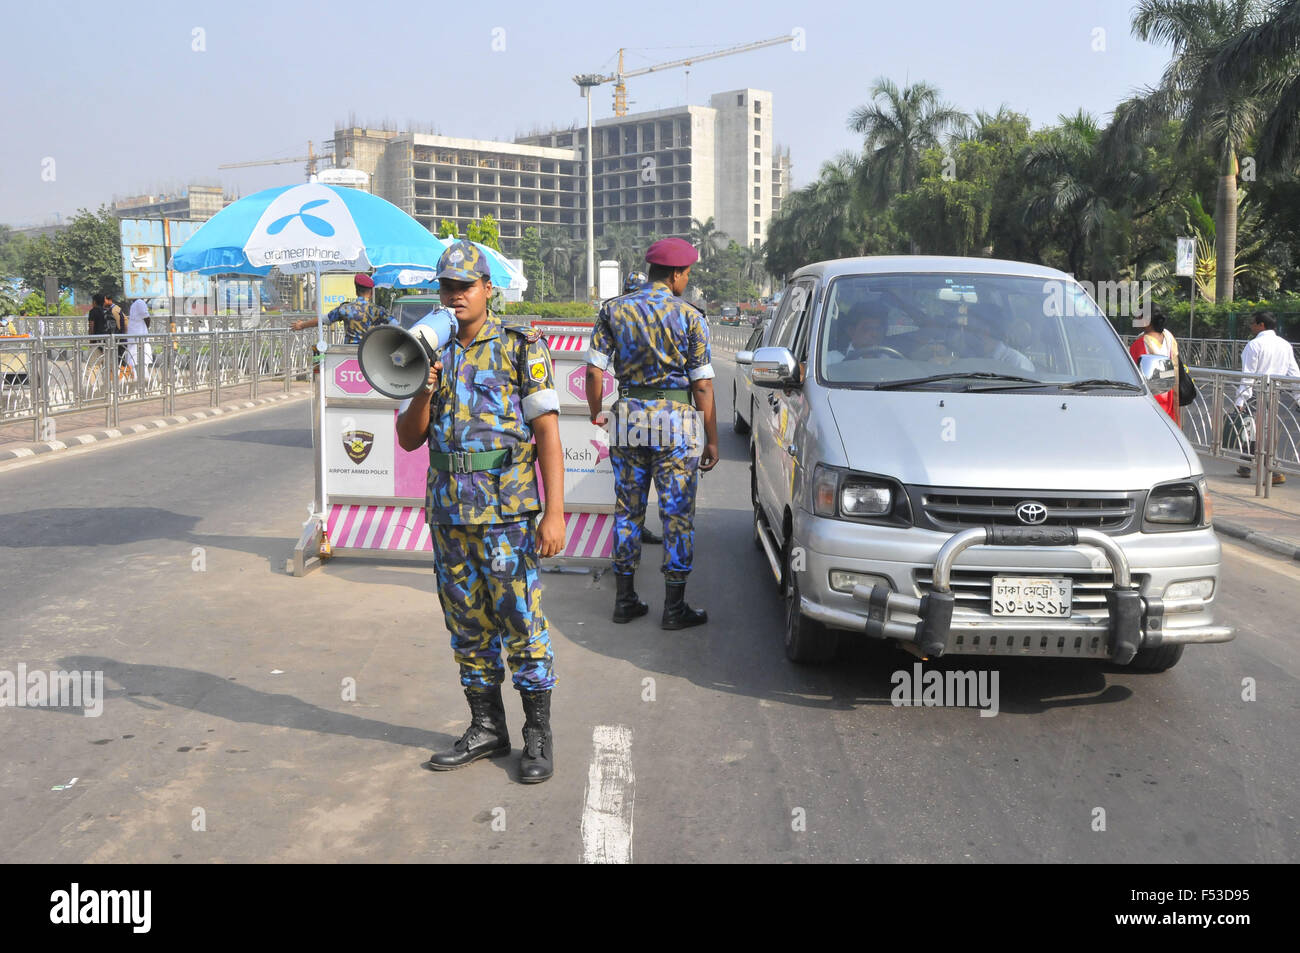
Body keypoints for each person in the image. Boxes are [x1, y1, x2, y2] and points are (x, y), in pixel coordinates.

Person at [395, 240, 566, 783]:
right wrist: (423, 389)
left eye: (465, 286)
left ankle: (537, 737)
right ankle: (487, 726)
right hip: (449, 515)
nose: (455, 296)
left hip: (508, 514)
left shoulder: (521, 347)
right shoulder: (426, 348)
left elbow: (547, 435)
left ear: (488, 289)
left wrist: (555, 512)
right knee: (466, 626)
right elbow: (407, 439)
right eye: (446, 286)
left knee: (522, 624)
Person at [585, 237, 719, 629]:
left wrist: (597, 413)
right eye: (687, 274)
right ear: (677, 273)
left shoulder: (614, 310)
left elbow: (594, 372)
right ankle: (674, 608)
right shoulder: (691, 317)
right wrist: (711, 438)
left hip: (627, 420)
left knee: (628, 510)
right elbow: (703, 386)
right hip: (676, 426)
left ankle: (625, 600)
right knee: (676, 514)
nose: (687, 280)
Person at [1232, 312, 1300, 485]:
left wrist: (1240, 399)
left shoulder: (1254, 345)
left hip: (1256, 392)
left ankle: (1274, 468)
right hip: (1275, 392)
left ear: (1261, 325)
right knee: (1264, 429)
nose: (1250, 326)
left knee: (1253, 429)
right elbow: (1294, 374)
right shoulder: (1285, 345)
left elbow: (1248, 375)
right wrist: (1298, 396)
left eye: (1253, 323)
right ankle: (1246, 464)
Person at [291, 273, 391, 343]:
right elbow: (395, 325)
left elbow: (323, 320)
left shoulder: (344, 309)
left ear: (356, 291)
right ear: (371, 293)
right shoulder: (379, 310)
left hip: (348, 354)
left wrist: (302, 325)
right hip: (371, 354)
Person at [1129, 308, 1180, 424]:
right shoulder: (1170, 339)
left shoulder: (1139, 344)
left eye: (1139, 317)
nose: (1136, 320)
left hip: (1149, 401)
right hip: (1170, 396)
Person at [125, 297, 153, 386]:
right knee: (135, 362)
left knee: (141, 362)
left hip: (139, 338)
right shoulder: (135, 304)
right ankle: (139, 384)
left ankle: (144, 384)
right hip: (135, 338)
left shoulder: (139, 302)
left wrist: (145, 329)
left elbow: (146, 317)